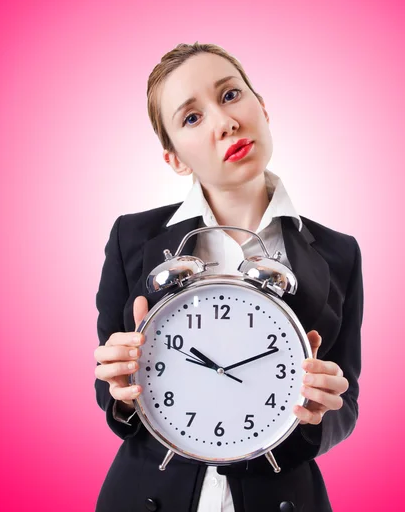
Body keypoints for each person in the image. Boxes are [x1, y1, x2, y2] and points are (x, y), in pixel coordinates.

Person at [93, 42, 364, 512]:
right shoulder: (131, 238)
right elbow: (109, 391)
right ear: (175, 158)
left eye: (231, 95)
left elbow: (348, 402)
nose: (224, 122)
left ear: (262, 106)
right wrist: (119, 390)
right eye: (192, 118)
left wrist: (321, 415)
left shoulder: (339, 253)